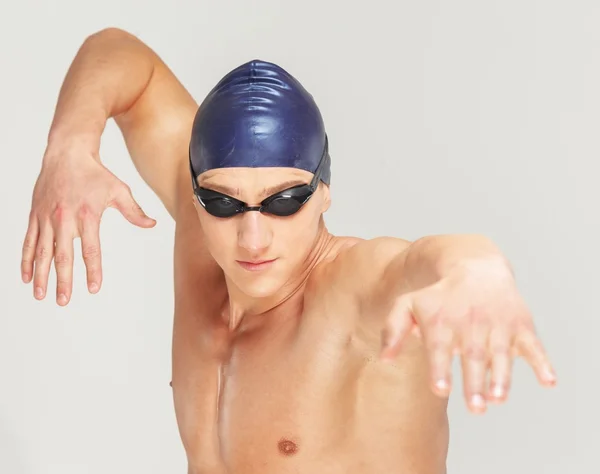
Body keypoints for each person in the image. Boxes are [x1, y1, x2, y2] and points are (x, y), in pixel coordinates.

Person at [21, 28, 556, 474]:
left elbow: (414, 262)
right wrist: (68, 147)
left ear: (324, 190)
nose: (252, 238)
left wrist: (478, 268)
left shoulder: (352, 297)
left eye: (285, 202)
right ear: (198, 189)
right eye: (223, 203)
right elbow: (118, 53)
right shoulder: (199, 228)